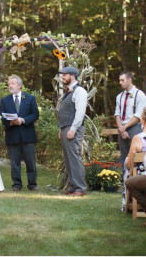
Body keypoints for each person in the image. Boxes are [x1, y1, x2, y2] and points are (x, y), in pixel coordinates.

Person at [0, 75, 40, 192]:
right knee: (15, 162)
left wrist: (23, 120)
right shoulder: (4, 100)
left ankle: (32, 184)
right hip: (12, 134)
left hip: (28, 134)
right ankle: (17, 184)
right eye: (9, 84)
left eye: (13, 83)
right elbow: (2, 117)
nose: (10, 85)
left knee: (30, 161)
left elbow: (35, 114)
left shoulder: (30, 98)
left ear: (20, 85)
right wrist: (11, 123)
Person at [57, 66, 88, 197]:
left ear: (72, 76)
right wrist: (62, 129)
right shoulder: (69, 91)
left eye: (64, 75)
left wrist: (73, 129)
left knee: (75, 158)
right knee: (69, 158)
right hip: (66, 127)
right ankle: (73, 186)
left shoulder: (79, 91)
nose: (62, 77)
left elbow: (80, 112)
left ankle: (80, 188)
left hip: (73, 128)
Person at [122, 106, 146, 212]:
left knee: (127, 168)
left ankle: (131, 204)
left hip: (141, 175)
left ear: (142, 120)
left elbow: (129, 163)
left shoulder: (138, 138)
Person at [115, 71, 146, 164]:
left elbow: (139, 115)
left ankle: (136, 177)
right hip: (122, 128)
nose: (120, 82)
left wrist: (124, 127)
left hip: (135, 127)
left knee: (136, 156)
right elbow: (117, 114)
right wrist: (121, 128)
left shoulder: (140, 95)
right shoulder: (119, 96)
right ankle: (123, 178)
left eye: (122, 80)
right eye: (119, 80)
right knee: (123, 156)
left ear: (129, 80)